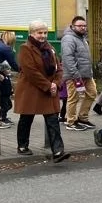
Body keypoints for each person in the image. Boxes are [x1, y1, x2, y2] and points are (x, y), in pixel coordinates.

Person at [14, 21, 69, 163]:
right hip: (31, 89)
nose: (43, 35)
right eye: (39, 32)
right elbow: (30, 71)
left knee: (52, 120)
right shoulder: (25, 48)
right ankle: (22, 146)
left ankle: (58, 151)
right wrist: (48, 85)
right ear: (31, 33)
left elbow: (59, 68)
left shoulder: (50, 48)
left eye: (45, 32)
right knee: (26, 118)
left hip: (49, 89)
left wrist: (55, 84)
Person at [60, 16, 97, 131]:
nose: (83, 28)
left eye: (84, 26)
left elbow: (84, 58)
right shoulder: (69, 39)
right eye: (80, 26)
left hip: (86, 74)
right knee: (73, 98)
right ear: (72, 26)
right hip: (74, 75)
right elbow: (67, 58)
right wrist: (75, 75)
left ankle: (82, 117)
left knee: (92, 93)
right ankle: (70, 121)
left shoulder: (82, 38)